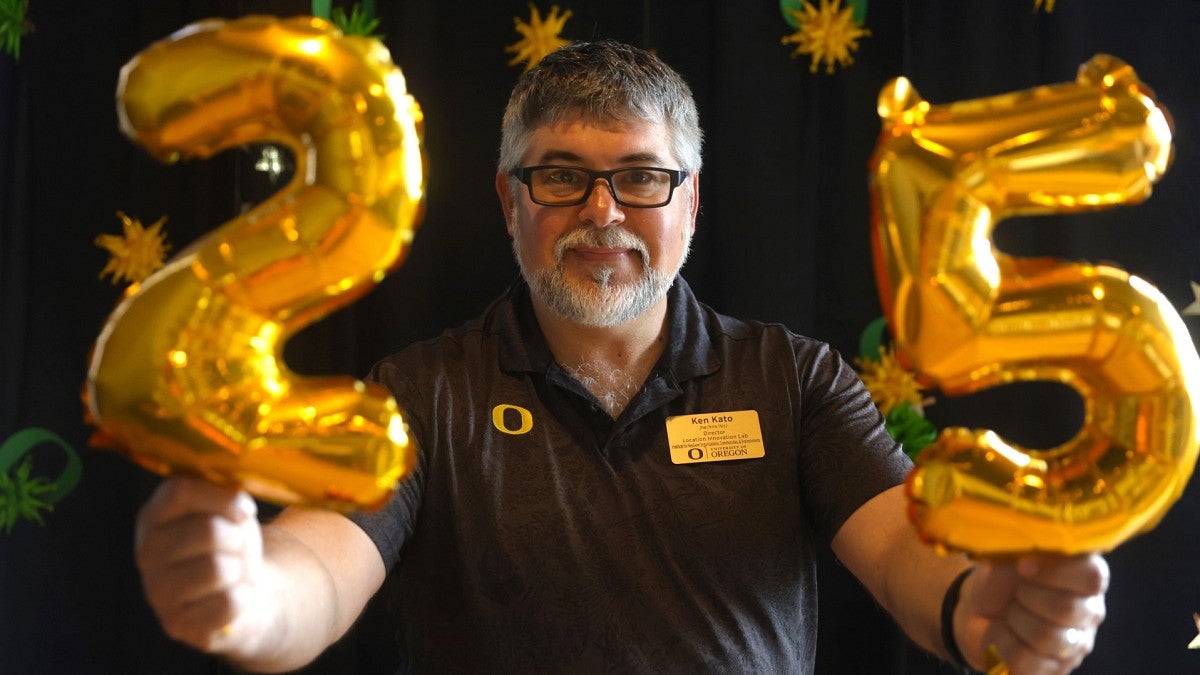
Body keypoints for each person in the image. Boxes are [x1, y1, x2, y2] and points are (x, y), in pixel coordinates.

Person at [134, 41, 1108, 674]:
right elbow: (317, 572)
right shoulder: (420, 392)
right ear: (510, 201)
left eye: (640, 177)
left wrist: (992, 612)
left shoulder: (797, 381)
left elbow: (908, 559)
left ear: (690, 201)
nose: (603, 213)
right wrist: (248, 598)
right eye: (562, 176)